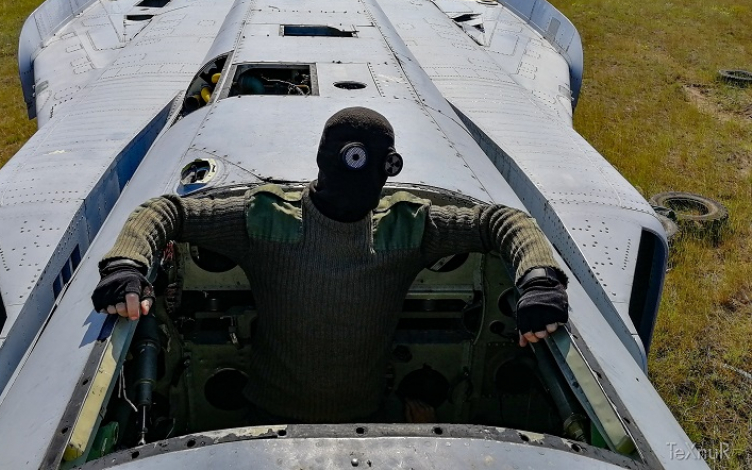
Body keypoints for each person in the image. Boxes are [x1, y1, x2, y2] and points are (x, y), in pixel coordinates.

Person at [92, 107, 568, 423]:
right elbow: (167, 211)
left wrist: (538, 278)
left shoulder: (407, 227)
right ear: (320, 161)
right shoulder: (264, 218)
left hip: (368, 421)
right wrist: (127, 262)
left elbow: (501, 221)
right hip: (266, 422)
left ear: (388, 170)